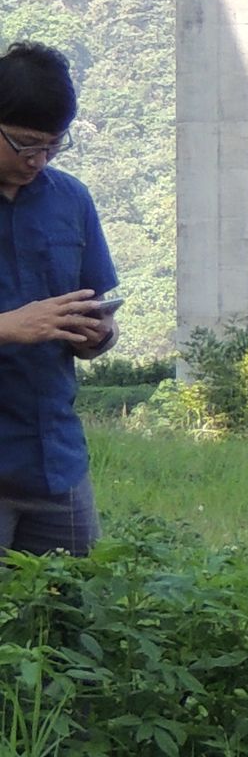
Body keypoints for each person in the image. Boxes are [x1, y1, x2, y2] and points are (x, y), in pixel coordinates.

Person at [0, 43, 118, 557]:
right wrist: (9, 326)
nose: (38, 160)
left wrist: (98, 335)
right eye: (24, 144)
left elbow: (98, 307)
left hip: (56, 461)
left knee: (75, 618)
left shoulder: (71, 199)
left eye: (52, 145)